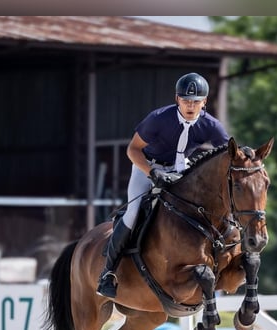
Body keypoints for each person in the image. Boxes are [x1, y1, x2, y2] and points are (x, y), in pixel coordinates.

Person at [96, 72, 230, 298]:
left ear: (204, 102)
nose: (191, 106)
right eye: (186, 101)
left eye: (196, 101)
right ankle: (108, 272)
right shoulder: (159, 118)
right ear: (177, 99)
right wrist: (153, 172)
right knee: (133, 213)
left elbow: (228, 156)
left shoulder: (211, 126)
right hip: (146, 166)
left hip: (181, 168)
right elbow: (132, 150)